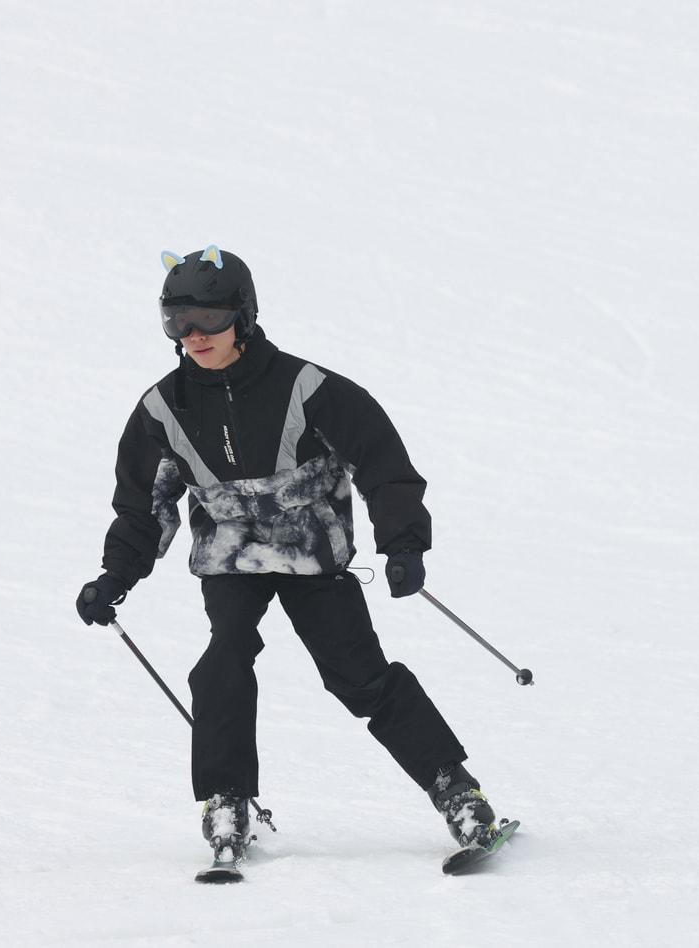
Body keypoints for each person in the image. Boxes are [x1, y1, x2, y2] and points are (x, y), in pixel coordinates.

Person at [75, 245, 500, 865]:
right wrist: (117, 574)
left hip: (312, 555)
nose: (194, 336)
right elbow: (144, 504)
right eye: (177, 323)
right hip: (232, 559)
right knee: (223, 661)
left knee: (359, 677)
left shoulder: (307, 388)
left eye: (209, 321)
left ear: (242, 316)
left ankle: (456, 790)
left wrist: (403, 543)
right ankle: (227, 799)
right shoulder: (163, 408)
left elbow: (382, 463)